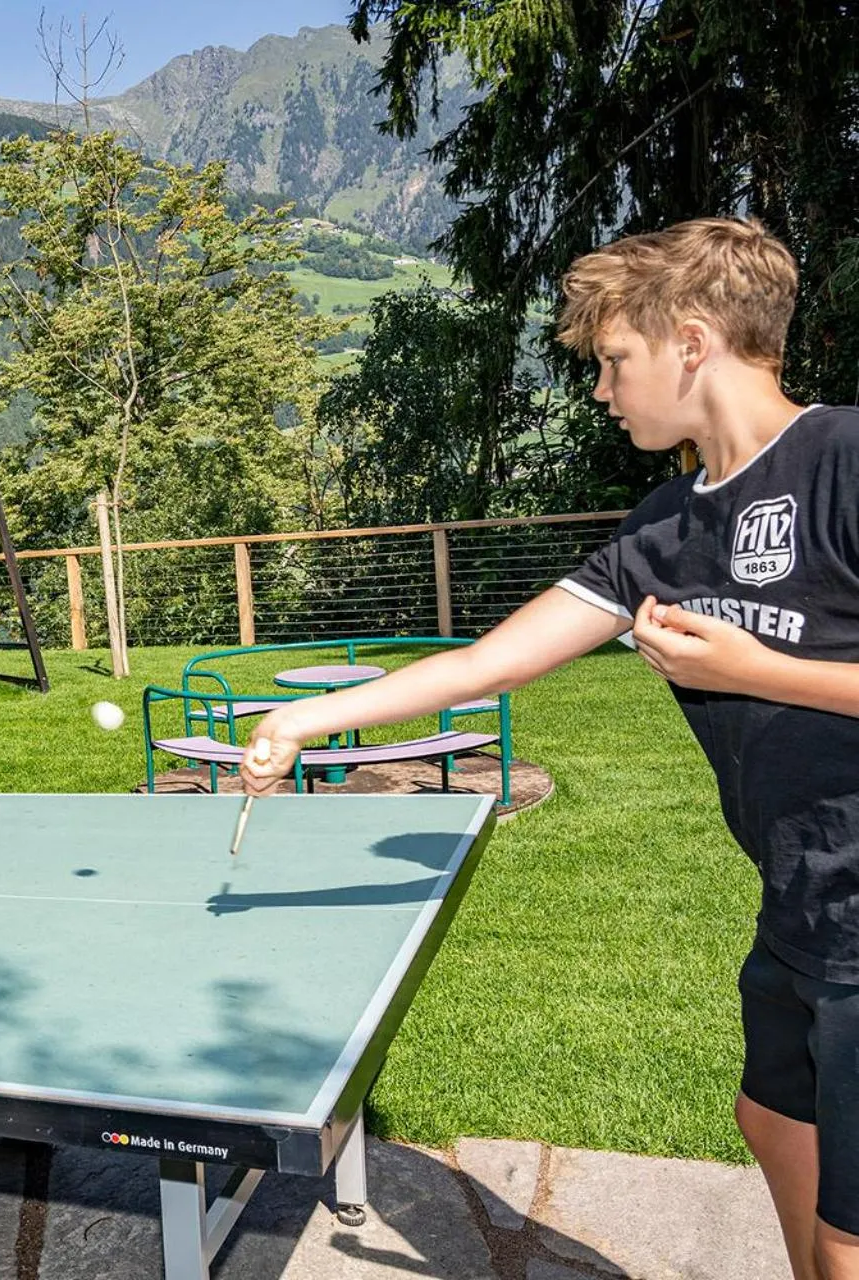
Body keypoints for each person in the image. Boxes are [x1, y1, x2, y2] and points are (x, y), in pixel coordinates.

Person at [240, 215, 858, 1280]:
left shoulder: (844, 457)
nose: (604, 389)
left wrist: (752, 670)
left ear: (693, 342)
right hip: (802, 900)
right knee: (771, 1122)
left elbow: (767, 672)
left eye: (616, 360)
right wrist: (308, 718)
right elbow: (488, 663)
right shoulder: (664, 527)